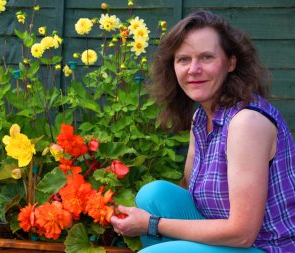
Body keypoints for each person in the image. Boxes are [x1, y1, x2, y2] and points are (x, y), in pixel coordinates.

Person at [110, 10, 295, 253]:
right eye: (183, 59)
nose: (193, 69)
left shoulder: (247, 123)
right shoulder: (201, 117)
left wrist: (151, 224)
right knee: (153, 195)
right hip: (229, 240)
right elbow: (187, 188)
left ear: (230, 62)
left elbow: (242, 234)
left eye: (206, 57)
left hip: (266, 247)